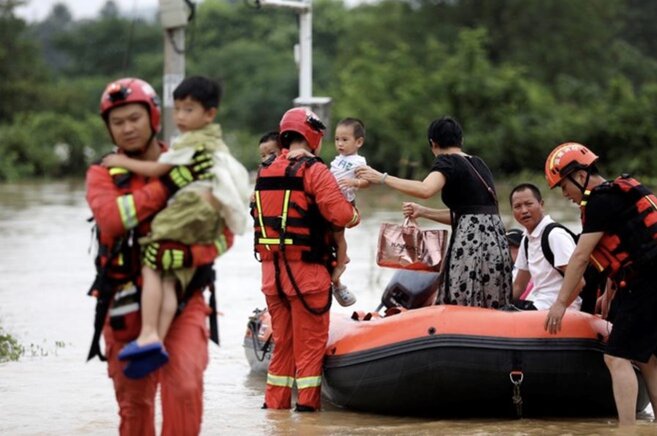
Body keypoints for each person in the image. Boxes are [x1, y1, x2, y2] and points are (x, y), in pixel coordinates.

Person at [86, 77, 233, 435]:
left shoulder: (193, 161)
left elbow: (225, 232)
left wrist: (185, 255)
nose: (127, 128)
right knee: (135, 406)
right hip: (123, 304)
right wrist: (167, 185)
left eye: (134, 118)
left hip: (185, 297)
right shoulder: (102, 175)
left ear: (152, 117)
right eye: (117, 122)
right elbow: (112, 220)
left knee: (184, 387)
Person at [100, 76, 250, 376]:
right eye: (177, 109)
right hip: (202, 221)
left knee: (152, 261)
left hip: (186, 214)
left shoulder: (187, 145)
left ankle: (149, 333)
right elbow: (110, 219)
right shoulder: (212, 143)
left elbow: (157, 170)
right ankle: (156, 338)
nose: (180, 117)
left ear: (209, 114)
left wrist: (122, 162)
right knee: (168, 277)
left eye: (189, 110)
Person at [252, 107, 360, 411]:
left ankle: (275, 412)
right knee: (310, 347)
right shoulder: (314, 170)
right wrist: (354, 215)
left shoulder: (265, 168)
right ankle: (308, 413)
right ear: (313, 135)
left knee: (282, 345)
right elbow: (341, 215)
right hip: (308, 275)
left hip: (272, 275)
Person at [543, 142, 657, 426]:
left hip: (647, 283)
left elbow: (581, 257)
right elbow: (623, 248)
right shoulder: (616, 194)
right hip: (644, 280)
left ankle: (627, 430)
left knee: (616, 357)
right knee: (648, 359)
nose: (565, 194)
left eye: (563, 186)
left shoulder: (599, 201)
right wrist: (610, 291)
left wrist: (560, 304)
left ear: (580, 176)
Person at [356, 116, 512, 308]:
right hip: (495, 240)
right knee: (490, 302)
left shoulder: (447, 161)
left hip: (472, 245)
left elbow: (425, 189)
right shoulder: (478, 163)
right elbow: (467, 216)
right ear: (460, 141)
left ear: (433, 143)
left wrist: (382, 178)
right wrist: (423, 212)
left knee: (461, 300)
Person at [509, 183, 583, 310]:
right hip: (539, 304)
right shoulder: (526, 240)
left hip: (561, 309)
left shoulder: (555, 235)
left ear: (541, 205)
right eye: (517, 206)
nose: (524, 210)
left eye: (528, 204)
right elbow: (519, 286)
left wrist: (560, 306)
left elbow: (579, 282)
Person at [328, 117, 370, 307]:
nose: (340, 144)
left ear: (358, 142)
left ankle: (341, 263)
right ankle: (339, 258)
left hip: (344, 202)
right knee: (330, 237)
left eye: (345, 140)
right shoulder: (338, 160)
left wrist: (355, 182)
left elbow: (368, 181)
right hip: (331, 201)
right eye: (337, 139)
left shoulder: (359, 161)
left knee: (338, 236)